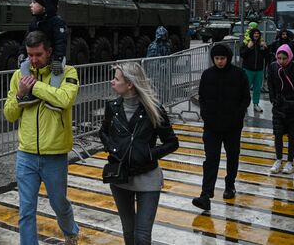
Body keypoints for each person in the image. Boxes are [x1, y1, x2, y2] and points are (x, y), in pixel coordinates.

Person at [4, 31, 80, 245]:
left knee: (59, 203)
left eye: (38, 54)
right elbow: (9, 114)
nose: (34, 60)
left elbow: (65, 99)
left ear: (49, 51)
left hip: (54, 154)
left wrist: (34, 86)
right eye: (30, 55)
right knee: (26, 209)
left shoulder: (68, 72)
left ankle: (71, 231)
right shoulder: (19, 75)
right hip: (26, 154)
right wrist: (20, 95)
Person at [99, 62, 178, 245]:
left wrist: (148, 154)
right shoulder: (112, 107)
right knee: (129, 233)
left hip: (148, 179)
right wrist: (112, 148)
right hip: (120, 178)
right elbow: (103, 132)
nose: (112, 82)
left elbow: (172, 142)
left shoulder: (153, 109)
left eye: (116, 79)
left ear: (130, 84)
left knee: (142, 236)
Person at [192, 43, 250, 211]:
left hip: (232, 126)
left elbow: (245, 98)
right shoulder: (207, 75)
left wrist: (237, 116)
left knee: (232, 156)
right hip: (212, 127)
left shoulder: (239, 75)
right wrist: (206, 115)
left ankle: (230, 184)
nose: (219, 62)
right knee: (211, 159)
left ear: (228, 58)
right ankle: (206, 194)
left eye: (222, 58)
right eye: (216, 58)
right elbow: (202, 97)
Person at [17, 0, 68, 110]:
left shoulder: (57, 22)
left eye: (34, 2)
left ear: (45, 5)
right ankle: (29, 93)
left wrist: (57, 59)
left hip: (54, 55)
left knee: (57, 71)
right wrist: (22, 53)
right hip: (40, 55)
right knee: (24, 65)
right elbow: (27, 40)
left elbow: (60, 41)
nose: (31, 5)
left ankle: (53, 97)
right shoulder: (34, 22)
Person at [267, 44, 294, 174]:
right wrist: (273, 99)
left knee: (292, 136)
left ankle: (290, 162)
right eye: (279, 58)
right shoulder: (273, 67)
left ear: (290, 57)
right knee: (278, 135)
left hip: (293, 108)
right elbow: (270, 84)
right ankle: (278, 159)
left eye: (284, 58)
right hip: (279, 107)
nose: (281, 61)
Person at [240, 28, 269, 113]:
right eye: (255, 33)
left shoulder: (261, 44)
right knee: (246, 88)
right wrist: (248, 47)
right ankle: (244, 104)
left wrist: (266, 48)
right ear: (252, 34)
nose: (256, 35)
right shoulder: (246, 43)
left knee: (257, 88)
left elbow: (267, 57)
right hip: (248, 70)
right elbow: (242, 54)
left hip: (259, 70)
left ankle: (256, 104)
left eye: (258, 33)